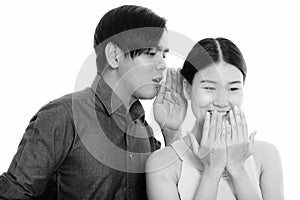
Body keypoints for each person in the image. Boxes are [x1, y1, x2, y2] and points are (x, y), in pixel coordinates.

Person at [0, 5, 186, 199]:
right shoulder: (63, 116)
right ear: (114, 55)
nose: (162, 65)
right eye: (150, 53)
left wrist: (172, 133)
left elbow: (173, 189)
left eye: (163, 54)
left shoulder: (145, 132)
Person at [146, 38, 284, 200]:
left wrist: (238, 169)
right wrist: (211, 172)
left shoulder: (266, 156)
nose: (222, 101)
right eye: (209, 88)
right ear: (187, 89)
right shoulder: (161, 164)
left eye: (233, 88)